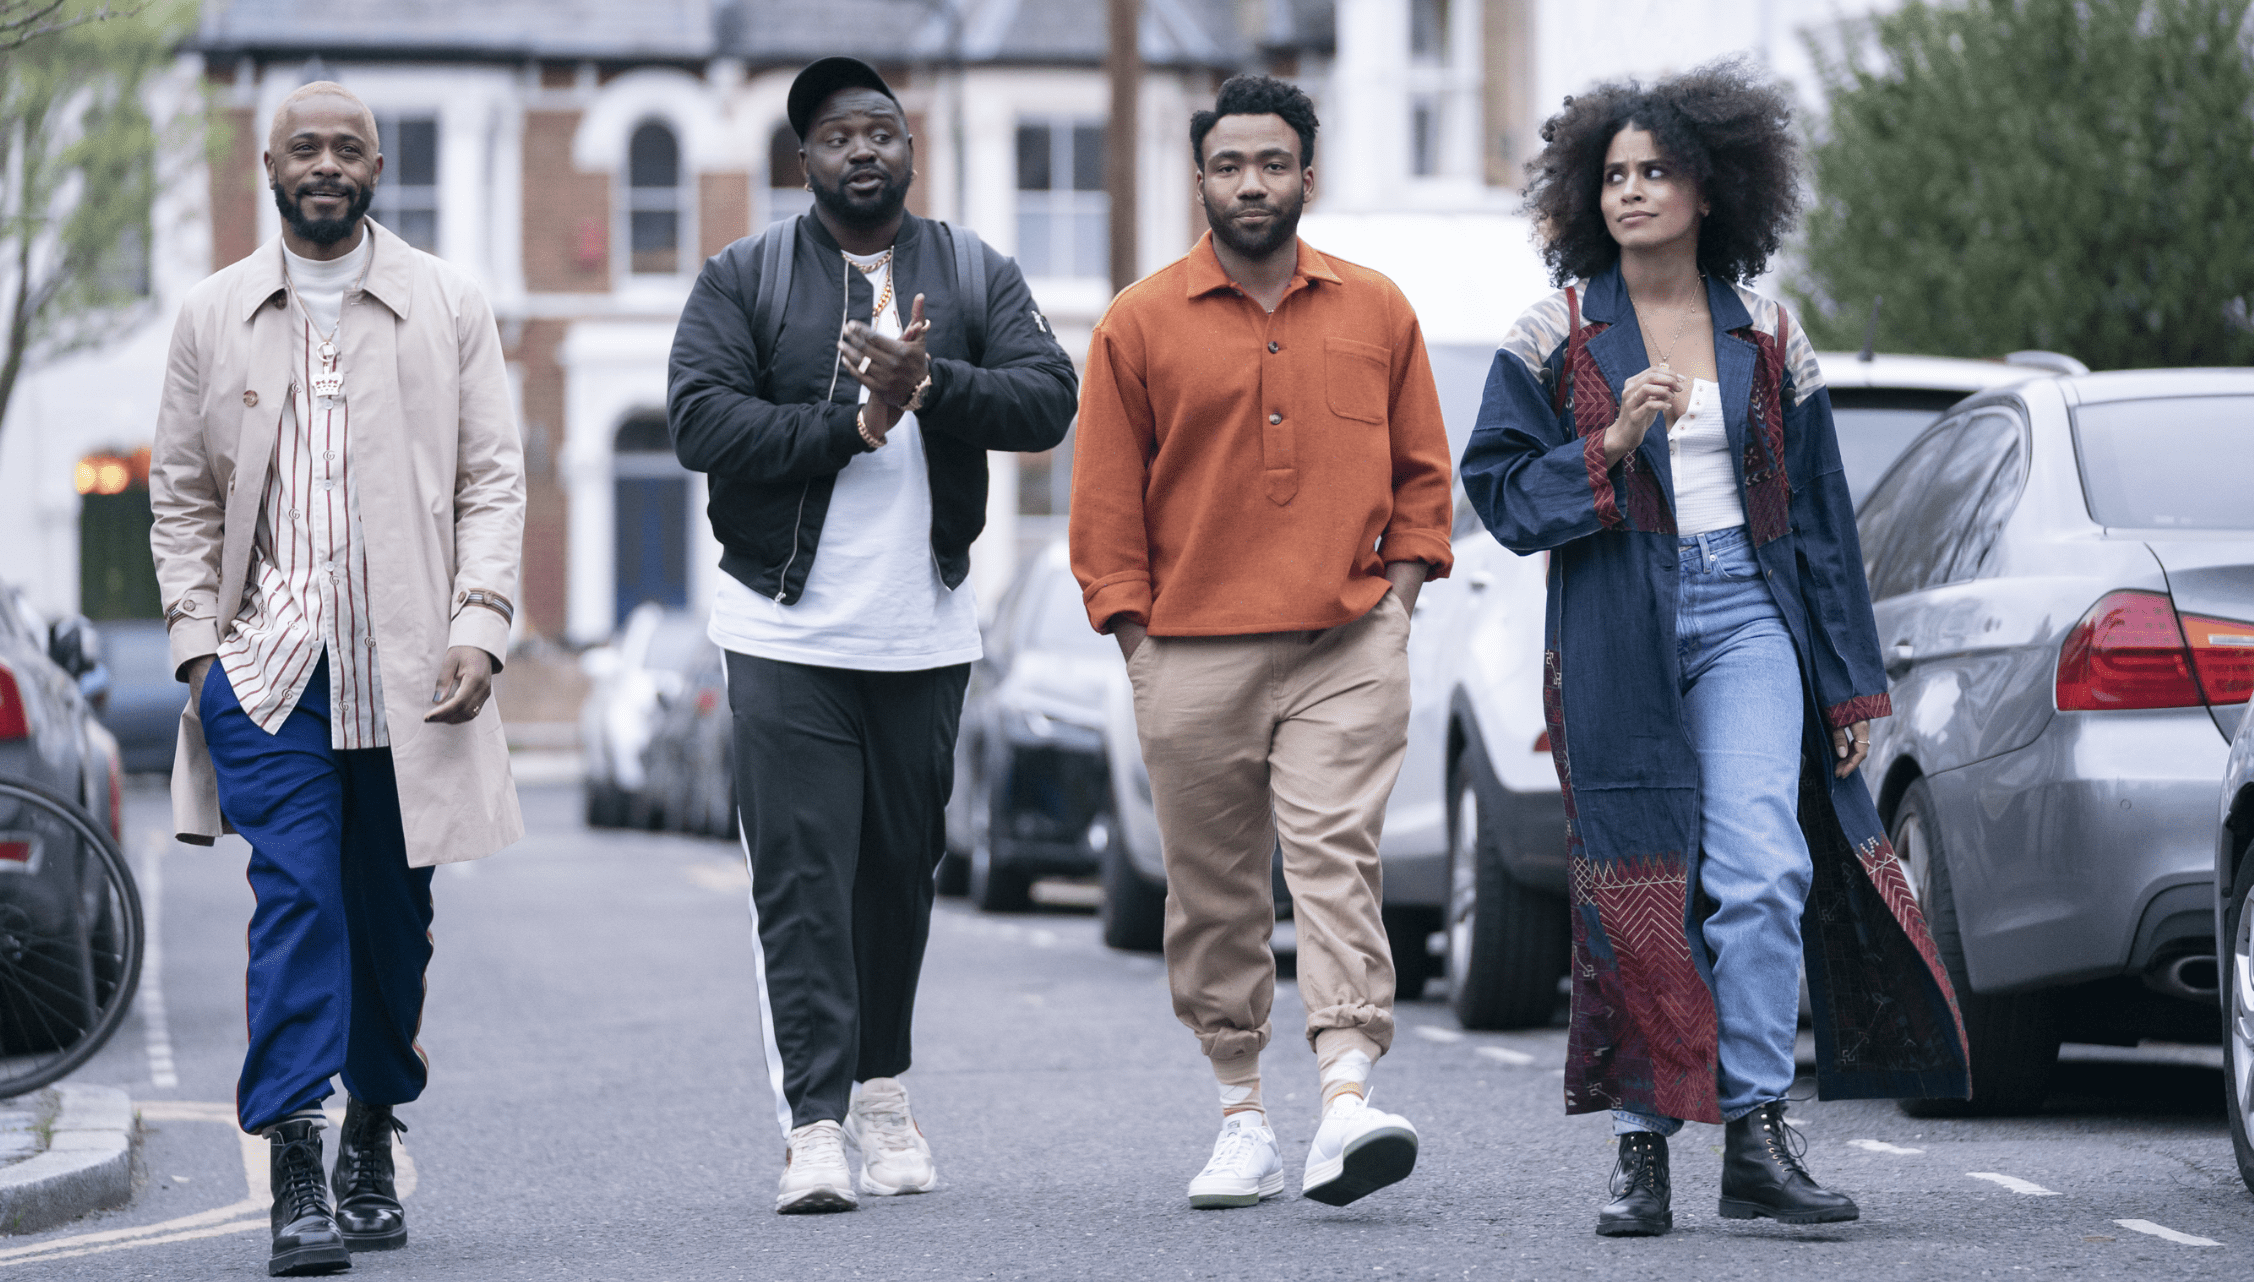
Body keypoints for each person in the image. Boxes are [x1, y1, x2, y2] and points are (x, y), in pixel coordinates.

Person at [1460, 59, 1970, 1238]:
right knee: (1639, 882)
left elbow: (1825, 522)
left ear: (1711, 189)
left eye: (1659, 172)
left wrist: (1847, 682)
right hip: (1612, 622)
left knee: (1762, 869)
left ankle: (1755, 1132)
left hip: (1748, 613)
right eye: (1615, 174)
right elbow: (1500, 495)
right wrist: (1614, 439)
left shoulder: (1769, 332)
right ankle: (1642, 1147)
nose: (1632, 192)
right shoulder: (1555, 333)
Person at [667, 56, 1077, 1215]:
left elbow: (1051, 397)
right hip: (784, 628)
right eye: (840, 135)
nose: (864, 151)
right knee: (802, 883)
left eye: (882, 133)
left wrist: (930, 383)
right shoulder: (742, 278)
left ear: (910, 151)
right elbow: (700, 420)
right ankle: (813, 1125)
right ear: (806, 161)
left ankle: (883, 1090)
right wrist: (853, 422)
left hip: (923, 631)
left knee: (896, 877)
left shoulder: (973, 270)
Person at [149, 82, 524, 1276]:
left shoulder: (446, 304)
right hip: (268, 672)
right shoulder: (213, 314)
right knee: (299, 897)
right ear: (268, 163)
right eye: (303, 146)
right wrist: (199, 654)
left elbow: (491, 481)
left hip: (414, 670)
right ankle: (298, 1161)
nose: (325, 164)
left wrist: (481, 621)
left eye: (346, 148)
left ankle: (373, 1120)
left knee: (391, 923)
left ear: (377, 166)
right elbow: (181, 496)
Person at [1070, 75, 1454, 1212]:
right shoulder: (1137, 323)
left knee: (1334, 856)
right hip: (1190, 653)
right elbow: (1103, 512)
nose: (1252, 183)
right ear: (1199, 179)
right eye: (1231, 164)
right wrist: (1140, 647)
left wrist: (1394, 608)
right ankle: (1242, 1111)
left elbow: (1423, 480)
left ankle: (1345, 1092)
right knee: (1215, 891)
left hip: (1346, 641)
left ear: (1308, 175)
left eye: (1273, 163)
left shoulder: (1377, 309)